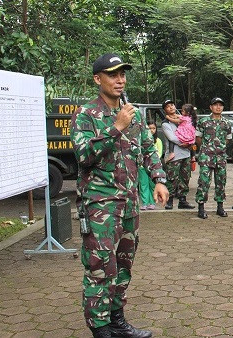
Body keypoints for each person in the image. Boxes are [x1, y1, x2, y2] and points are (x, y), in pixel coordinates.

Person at [71, 53, 168, 338]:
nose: (120, 79)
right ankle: (100, 330)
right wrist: (117, 127)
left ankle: (117, 321)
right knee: (100, 265)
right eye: (113, 74)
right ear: (97, 79)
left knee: (123, 263)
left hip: (129, 203)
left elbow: (148, 149)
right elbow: (84, 155)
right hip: (99, 204)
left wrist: (159, 180)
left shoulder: (133, 114)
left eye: (122, 74)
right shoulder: (86, 114)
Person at [195, 97, 232, 219]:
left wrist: (219, 148)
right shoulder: (203, 122)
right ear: (211, 107)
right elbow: (198, 138)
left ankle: (220, 207)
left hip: (221, 157)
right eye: (215, 105)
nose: (218, 107)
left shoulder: (226, 123)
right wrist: (207, 149)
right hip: (206, 156)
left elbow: (228, 139)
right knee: (204, 182)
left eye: (220, 105)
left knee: (221, 182)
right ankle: (201, 207)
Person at [162, 102, 195, 210]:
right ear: (165, 110)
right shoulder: (166, 123)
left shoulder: (184, 119)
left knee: (185, 177)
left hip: (186, 154)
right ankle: (169, 200)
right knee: (172, 178)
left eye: (172, 105)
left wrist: (190, 144)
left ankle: (182, 200)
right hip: (174, 155)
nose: (171, 107)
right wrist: (186, 142)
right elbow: (172, 138)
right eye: (167, 107)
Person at [138, 120, 163, 210]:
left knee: (153, 185)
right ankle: (145, 203)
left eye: (154, 128)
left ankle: (152, 202)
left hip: (153, 167)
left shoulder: (158, 141)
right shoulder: (140, 140)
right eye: (149, 128)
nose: (152, 130)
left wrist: (152, 163)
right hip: (141, 166)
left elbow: (159, 153)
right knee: (143, 184)